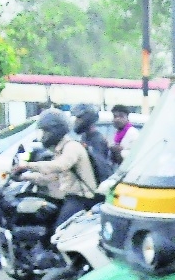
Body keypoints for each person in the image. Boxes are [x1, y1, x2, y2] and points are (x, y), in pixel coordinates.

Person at [14, 109, 98, 257]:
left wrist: (27, 165)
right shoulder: (61, 149)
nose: (43, 136)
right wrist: (24, 177)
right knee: (46, 224)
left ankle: (61, 268)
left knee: (57, 234)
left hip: (82, 200)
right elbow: (51, 177)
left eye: (45, 132)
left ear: (55, 130)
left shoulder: (72, 147)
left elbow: (60, 166)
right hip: (69, 198)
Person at [70, 104, 115, 182]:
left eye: (79, 118)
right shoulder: (85, 137)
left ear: (87, 119)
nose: (76, 121)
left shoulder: (97, 140)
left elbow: (101, 169)